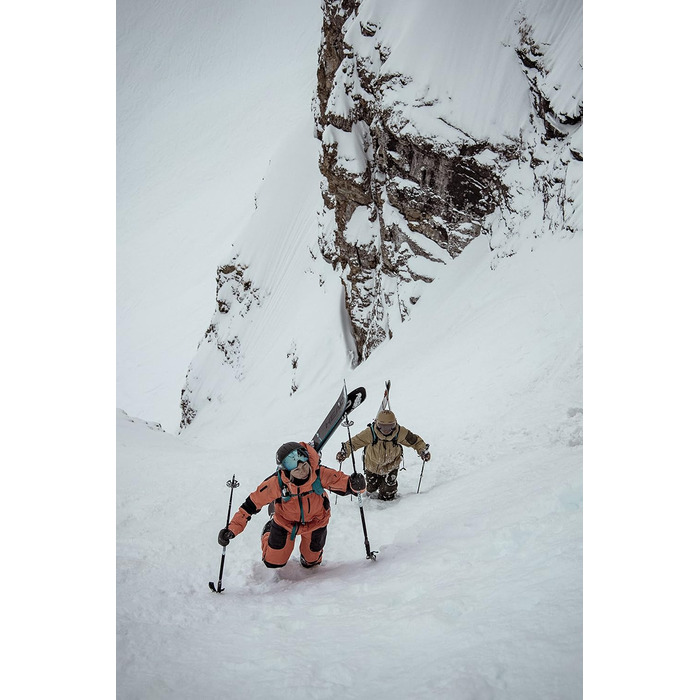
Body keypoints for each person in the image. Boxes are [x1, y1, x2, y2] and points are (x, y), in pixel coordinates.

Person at [217, 441, 366, 568]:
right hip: (285, 523)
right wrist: (232, 529)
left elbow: (345, 484)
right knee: (273, 562)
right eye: (296, 470)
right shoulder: (276, 483)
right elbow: (250, 505)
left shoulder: (319, 473)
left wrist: (356, 485)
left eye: (304, 466)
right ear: (286, 471)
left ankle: (309, 556)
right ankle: (269, 530)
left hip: (316, 521)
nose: (303, 471)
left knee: (311, 562)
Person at [336, 409, 430, 501]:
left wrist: (422, 451)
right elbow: (354, 442)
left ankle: (388, 506)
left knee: (388, 493)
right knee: (371, 489)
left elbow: (415, 441)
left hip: (391, 465)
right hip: (372, 465)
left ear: (395, 424)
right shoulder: (370, 433)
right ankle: (372, 503)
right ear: (377, 424)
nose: (386, 430)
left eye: (390, 427)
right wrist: (344, 452)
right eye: (382, 427)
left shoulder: (400, 432)